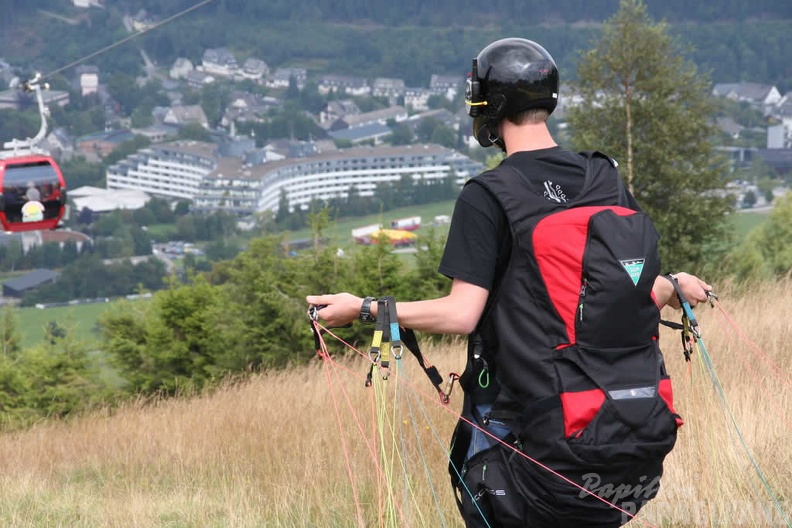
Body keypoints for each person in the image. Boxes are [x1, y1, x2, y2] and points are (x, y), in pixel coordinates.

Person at [307, 37, 712, 528]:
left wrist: (364, 308)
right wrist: (674, 284)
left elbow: (461, 314)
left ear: (490, 108)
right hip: (626, 438)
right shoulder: (606, 177)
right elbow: (635, 292)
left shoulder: (489, 194)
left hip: (530, 438)